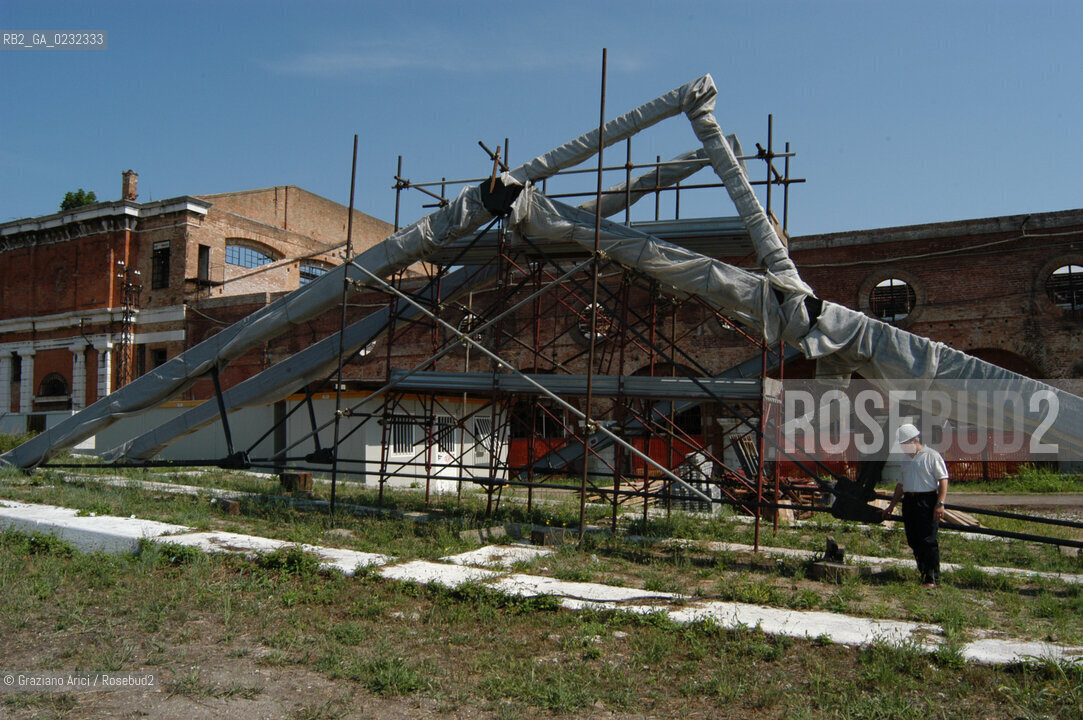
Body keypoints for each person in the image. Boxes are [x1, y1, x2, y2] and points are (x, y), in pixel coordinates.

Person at [881, 423, 949, 588]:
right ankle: (923, 574)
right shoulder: (905, 461)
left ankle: (932, 578)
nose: (904, 448)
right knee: (913, 539)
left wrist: (940, 503)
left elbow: (943, 479)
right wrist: (891, 506)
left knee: (928, 539)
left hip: (926, 500)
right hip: (910, 502)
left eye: (905, 444)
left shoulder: (931, 456)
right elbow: (900, 485)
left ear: (914, 440)